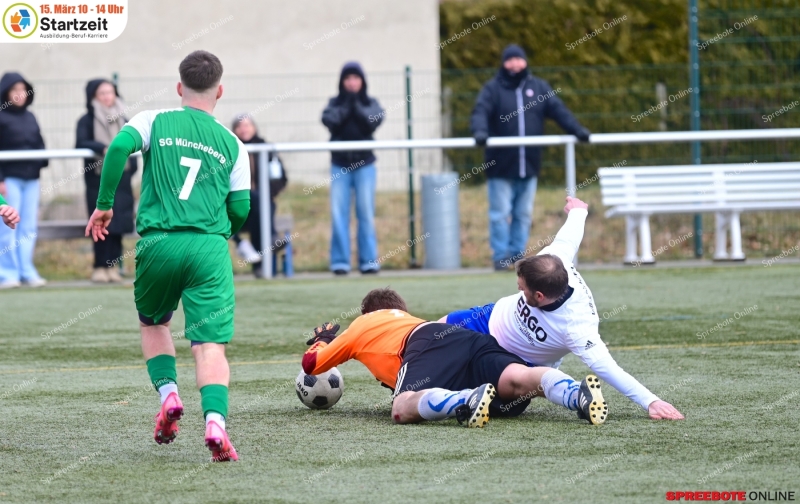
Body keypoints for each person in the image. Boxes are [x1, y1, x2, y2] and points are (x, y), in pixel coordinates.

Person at [85, 50, 250, 461]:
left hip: (158, 243)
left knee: (153, 323)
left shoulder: (153, 120)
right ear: (220, 91)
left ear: (180, 88)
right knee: (210, 345)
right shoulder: (233, 143)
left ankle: (170, 395)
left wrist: (105, 203)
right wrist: (219, 231)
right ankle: (215, 423)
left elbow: (119, 149)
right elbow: (242, 208)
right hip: (208, 248)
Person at [440, 196, 685, 421]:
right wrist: (579, 211)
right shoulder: (554, 258)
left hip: (519, 363)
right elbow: (570, 235)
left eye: (523, 289)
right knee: (428, 334)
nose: (519, 291)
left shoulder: (577, 327)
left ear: (540, 295)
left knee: (485, 398)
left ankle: (576, 396)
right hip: (487, 319)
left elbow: (609, 369)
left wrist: (650, 401)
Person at [302, 287, 608, 428]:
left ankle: (464, 400)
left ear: (369, 312)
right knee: (517, 380)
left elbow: (311, 365)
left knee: (400, 407)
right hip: (464, 338)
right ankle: (574, 393)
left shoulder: (363, 324)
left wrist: (323, 339)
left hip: (421, 343)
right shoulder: (408, 318)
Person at [471, 45, 591, 271]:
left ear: (525, 61)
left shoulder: (538, 88)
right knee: (499, 214)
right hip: (500, 166)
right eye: (510, 60)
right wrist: (480, 132)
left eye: (519, 59)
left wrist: (577, 130)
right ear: (503, 63)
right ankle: (500, 257)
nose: (515, 64)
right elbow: (480, 112)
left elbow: (559, 110)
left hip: (530, 165)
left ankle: (517, 257)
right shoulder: (493, 89)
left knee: (523, 214)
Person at [321, 62, 384, 275]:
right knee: (339, 214)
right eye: (348, 79)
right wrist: (347, 104)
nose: (352, 82)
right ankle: (340, 262)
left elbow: (372, 122)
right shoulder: (334, 103)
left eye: (356, 78)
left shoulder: (371, 103)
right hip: (340, 165)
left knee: (365, 212)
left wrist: (356, 104)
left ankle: (369, 261)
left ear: (362, 81)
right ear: (342, 82)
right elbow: (330, 120)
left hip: (365, 165)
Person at [76, 79, 138, 283]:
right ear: (94, 96)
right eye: (102, 93)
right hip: (98, 178)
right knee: (100, 223)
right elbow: (81, 142)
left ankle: (113, 267)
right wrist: (104, 148)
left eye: (110, 92)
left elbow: (134, 143)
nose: (106, 96)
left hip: (123, 178)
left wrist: (131, 167)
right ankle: (99, 267)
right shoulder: (87, 119)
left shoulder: (124, 119)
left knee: (118, 223)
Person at [0, 72, 48, 289]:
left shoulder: (30, 116)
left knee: (28, 226)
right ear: (6, 93)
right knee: (7, 226)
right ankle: (7, 274)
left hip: (31, 180)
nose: (19, 94)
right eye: (14, 90)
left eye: (22, 89)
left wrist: (39, 164)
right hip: (8, 179)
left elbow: (39, 144)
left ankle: (26, 271)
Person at [229, 114, 287, 278]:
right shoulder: (230, 149)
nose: (244, 129)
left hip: (262, 206)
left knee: (261, 206)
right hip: (238, 206)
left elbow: (280, 178)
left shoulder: (266, 149)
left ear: (254, 127)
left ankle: (261, 265)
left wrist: (267, 194)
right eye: (239, 126)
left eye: (247, 125)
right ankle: (270, 241)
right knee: (256, 203)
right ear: (234, 130)